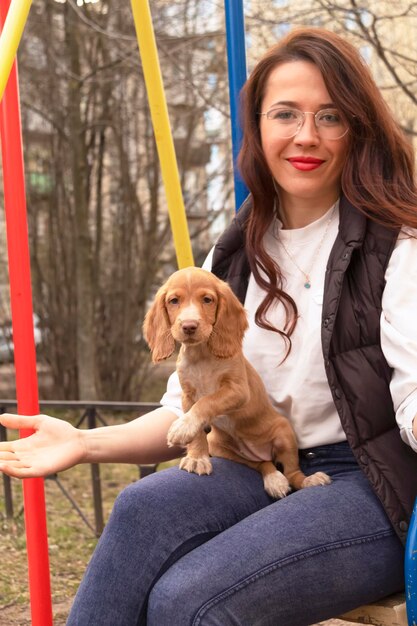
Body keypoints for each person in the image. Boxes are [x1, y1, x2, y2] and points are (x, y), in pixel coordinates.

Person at [1, 26, 417, 626]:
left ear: (358, 128)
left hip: (370, 483)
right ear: (258, 127)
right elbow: (184, 405)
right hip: (256, 459)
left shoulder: (397, 240)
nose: (306, 135)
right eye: (286, 114)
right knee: (143, 508)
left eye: (331, 116)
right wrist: (84, 443)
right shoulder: (235, 252)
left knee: (190, 599)